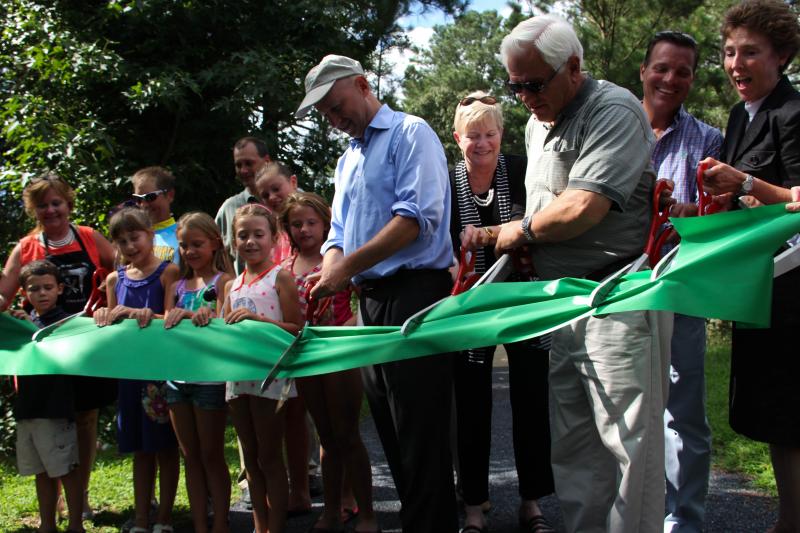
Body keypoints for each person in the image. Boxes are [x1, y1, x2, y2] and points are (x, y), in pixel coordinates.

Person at [495, 15, 670, 533]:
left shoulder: (612, 109)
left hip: (615, 295)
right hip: (562, 302)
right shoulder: (535, 123)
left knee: (627, 446)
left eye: (533, 83)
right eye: (515, 85)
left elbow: (582, 209)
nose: (524, 96)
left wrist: (516, 233)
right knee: (573, 444)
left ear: (573, 67)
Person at [297, 54, 458, 533]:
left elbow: (414, 220)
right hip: (370, 301)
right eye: (324, 113)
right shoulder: (348, 157)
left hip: (416, 294)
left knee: (421, 433)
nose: (333, 118)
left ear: (363, 85)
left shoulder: (412, 133)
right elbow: (337, 231)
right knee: (390, 428)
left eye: (335, 104)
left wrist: (343, 268)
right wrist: (329, 270)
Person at [699, 2, 800, 531]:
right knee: (776, 421)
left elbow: (797, 200)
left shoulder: (793, 113)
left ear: (781, 55)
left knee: (792, 417)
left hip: (794, 294)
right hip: (759, 286)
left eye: (751, 52)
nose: (736, 64)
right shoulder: (740, 116)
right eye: (730, 51)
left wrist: (743, 183)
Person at [448, 91, 554, 533]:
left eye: (489, 134)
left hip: (523, 296)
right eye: (473, 135)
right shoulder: (447, 178)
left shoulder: (520, 168)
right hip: (469, 304)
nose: (482, 143)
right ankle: (474, 504)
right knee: (470, 402)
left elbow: (545, 217)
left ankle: (532, 501)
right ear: (458, 138)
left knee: (531, 395)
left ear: (501, 134)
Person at [639, 31, 723, 533]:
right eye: (662, 68)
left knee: (683, 414)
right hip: (618, 288)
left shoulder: (709, 140)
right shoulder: (615, 129)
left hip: (682, 287)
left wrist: (693, 212)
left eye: (683, 71)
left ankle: (683, 521)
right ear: (644, 72)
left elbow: (719, 215)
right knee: (621, 412)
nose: (671, 79)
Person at [0, 172, 116, 521]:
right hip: (45, 356)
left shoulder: (90, 238)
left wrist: (112, 304)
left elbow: (120, 273)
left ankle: (81, 497)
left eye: (56, 203)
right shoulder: (26, 247)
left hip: (86, 346)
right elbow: (5, 294)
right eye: (42, 205)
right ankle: (61, 502)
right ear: (33, 210)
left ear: (68, 203)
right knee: (53, 423)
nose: (50, 210)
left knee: (85, 418)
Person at [279, 192, 378, 532]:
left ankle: (367, 514)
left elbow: (365, 305)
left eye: (311, 222)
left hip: (339, 354)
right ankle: (332, 511)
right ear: (287, 229)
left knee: (348, 435)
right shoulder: (285, 270)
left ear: (325, 224)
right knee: (326, 437)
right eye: (296, 224)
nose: (304, 229)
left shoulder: (340, 261)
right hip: (307, 359)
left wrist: (343, 330)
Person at [93, 207, 181, 533]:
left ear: (150, 234)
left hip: (160, 374)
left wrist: (145, 314)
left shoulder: (169, 272)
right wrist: (104, 315)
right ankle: (142, 518)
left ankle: (165, 517)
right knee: (141, 450)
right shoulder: (114, 279)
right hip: (129, 375)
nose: (130, 246)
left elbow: (173, 318)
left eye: (136, 237)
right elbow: (113, 322)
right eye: (123, 241)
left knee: (166, 447)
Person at [222, 203, 303, 533]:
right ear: (233, 241)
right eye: (243, 235)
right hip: (237, 379)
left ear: (274, 239)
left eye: (258, 234)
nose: (250, 242)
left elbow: (297, 328)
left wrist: (258, 321)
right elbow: (222, 328)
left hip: (270, 376)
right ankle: (260, 525)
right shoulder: (231, 286)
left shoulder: (280, 277)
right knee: (251, 460)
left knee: (270, 457)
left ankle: (277, 526)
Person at [162, 212, 233, 533]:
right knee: (189, 455)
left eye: (197, 244)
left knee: (212, 454)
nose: (190, 251)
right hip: (176, 379)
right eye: (183, 245)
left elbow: (225, 324)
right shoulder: (176, 284)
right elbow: (166, 322)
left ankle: (220, 523)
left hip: (210, 380)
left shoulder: (225, 282)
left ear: (215, 243)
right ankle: (199, 525)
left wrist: (207, 315)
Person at [9, 260, 84, 533]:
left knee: (65, 470)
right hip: (27, 407)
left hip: (55, 409)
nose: (42, 293)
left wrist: (30, 327)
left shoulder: (66, 322)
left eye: (48, 287)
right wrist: (20, 325)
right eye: (34, 289)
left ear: (60, 289)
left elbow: (57, 352)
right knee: (41, 472)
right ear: (24, 293)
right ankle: (47, 525)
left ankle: (76, 524)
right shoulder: (21, 321)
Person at [216, 137, 272, 274]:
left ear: (266, 161)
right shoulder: (229, 209)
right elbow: (217, 255)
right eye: (238, 165)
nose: (244, 170)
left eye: (249, 163)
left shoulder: (292, 201)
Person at [131, 166, 180, 264]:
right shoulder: (129, 239)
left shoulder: (183, 235)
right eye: (139, 199)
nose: (144, 205)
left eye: (150, 197)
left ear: (170, 195)